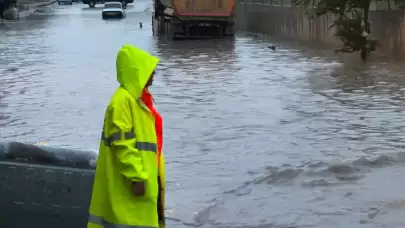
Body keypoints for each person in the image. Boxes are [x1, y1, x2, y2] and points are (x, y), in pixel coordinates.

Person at [87, 44, 166, 228]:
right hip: (134, 184)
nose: (154, 74)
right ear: (136, 72)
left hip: (146, 180)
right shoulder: (122, 102)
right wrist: (136, 177)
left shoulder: (138, 99)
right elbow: (122, 143)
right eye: (150, 70)